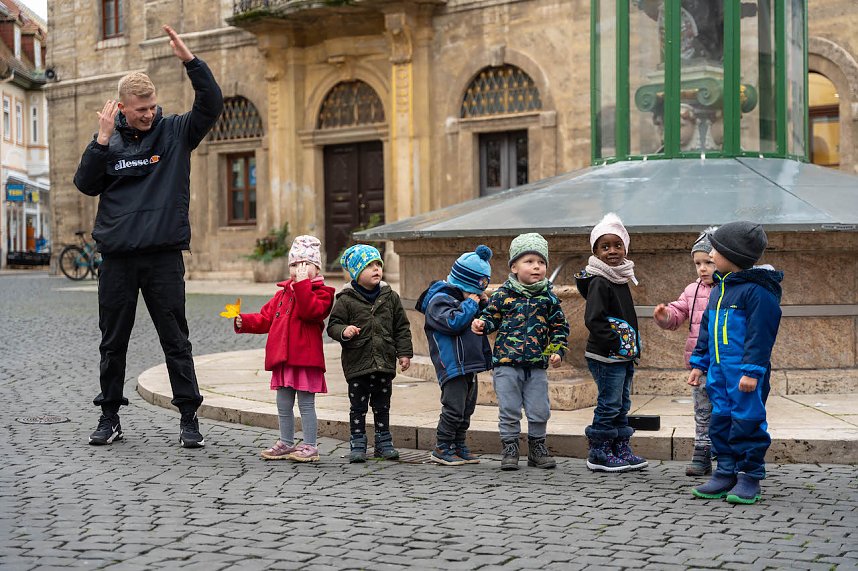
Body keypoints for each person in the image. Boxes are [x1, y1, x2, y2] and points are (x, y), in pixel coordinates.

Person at [74, 25, 223, 448]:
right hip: (118, 258)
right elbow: (85, 184)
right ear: (122, 107)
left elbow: (211, 105)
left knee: (175, 339)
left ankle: (189, 418)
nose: (148, 114)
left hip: (162, 256)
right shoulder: (108, 141)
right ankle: (110, 417)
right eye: (140, 110)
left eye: (152, 106)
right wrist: (102, 140)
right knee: (112, 342)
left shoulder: (175, 132)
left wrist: (190, 61)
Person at [690, 222, 782, 504]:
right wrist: (699, 363)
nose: (712, 255)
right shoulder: (720, 288)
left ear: (735, 255)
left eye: (716, 250)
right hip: (720, 373)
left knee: (747, 422)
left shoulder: (758, 291)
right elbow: (707, 329)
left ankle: (749, 475)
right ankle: (726, 471)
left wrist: (752, 371)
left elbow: (760, 335)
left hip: (744, 375)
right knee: (720, 422)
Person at [472, 233, 569, 471]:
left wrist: (556, 350)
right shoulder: (504, 295)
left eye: (541, 262)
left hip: (536, 365)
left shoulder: (548, 298)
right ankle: (510, 448)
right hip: (506, 363)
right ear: (514, 267)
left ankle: (537, 448)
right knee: (509, 408)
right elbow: (491, 317)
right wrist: (482, 324)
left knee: (539, 409)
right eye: (529, 261)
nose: (536, 266)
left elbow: (559, 327)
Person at [234, 236, 335, 463]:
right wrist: (245, 321)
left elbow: (311, 311)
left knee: (306, 404)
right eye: (293, 264)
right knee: (283, 403)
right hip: (284, 359)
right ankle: (286, 442)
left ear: (316, 268)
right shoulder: (282, 294)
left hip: (305, 359)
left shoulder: (324, 293)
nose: (298, 269)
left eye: (305, 264)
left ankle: (310, 446)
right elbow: (265, 318)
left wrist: (302, 285)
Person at [327, 244, 413, 463]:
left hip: (384, 362)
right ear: (356, 272)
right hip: (358, 364)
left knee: (382, 405)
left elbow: (401, 326)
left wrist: (404, 353)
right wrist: (344, 332)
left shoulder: (390, 296)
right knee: (358, 407)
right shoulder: (346, 299)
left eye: (378, 264)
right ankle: (358, 442)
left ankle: (384, 442)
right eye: (369, 266)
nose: (376, 269)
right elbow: (333, 325)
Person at [575, 213, 648, 472]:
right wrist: (617, 343)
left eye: (617, 245)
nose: (612, 251)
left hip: (622, 355)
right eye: (605, 247)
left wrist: (629, 347)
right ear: (595, 251)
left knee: (622, 403)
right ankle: (599, 452)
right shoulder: (599, 281)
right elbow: (594, 320)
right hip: (606, 355)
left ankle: (620, 447)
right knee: (609, 403)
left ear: (625, 248)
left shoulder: (619, 277)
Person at [416, 246, 494, 466]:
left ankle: (458, 445)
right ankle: (442, 447)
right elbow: (454, 322)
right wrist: (471, 303)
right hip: (452, 364)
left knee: (467, 408)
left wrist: (483, 305)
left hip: (468, 363)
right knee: (453, 407)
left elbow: (480, 322)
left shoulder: (466, 299)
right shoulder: (438, 300)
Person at [653, 227, 717, 476]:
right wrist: (664, 316)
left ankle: (725, 453)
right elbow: (677, 314)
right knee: (702, 410)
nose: (703, 269)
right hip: (699, 365)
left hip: (725, 364)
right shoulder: (692, 290)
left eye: (709, 262)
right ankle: (701, 452)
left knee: (724, 410)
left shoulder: (731, 289)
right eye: (698, 263)